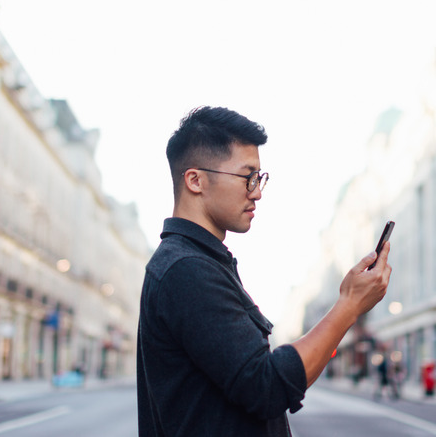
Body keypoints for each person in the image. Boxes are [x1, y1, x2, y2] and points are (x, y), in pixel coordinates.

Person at [136, 106, 392, 436]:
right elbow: (266, 386)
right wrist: (349, 306)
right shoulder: (187, 269)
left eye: (260, 178)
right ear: (195, 180)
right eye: (247, 177)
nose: (256, 192)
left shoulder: (200, 262)